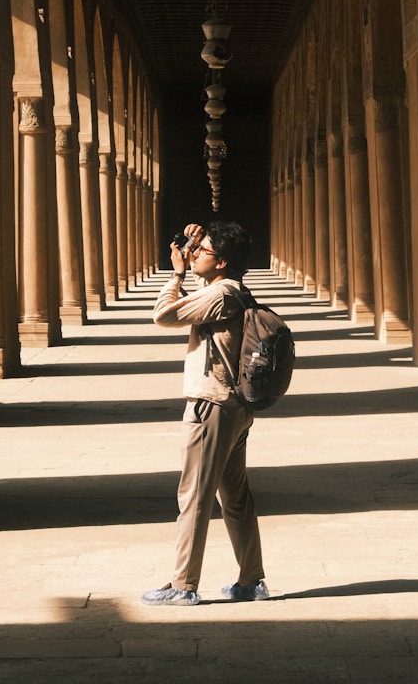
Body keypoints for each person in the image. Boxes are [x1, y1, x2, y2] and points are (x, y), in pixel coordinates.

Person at [140, 219, 270, 607]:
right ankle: (251, 580)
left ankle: (183, 584)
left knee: (194, 495)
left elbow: (163, 315)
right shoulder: (232, 291)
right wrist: (195, 252)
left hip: (210, 406)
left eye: (204, 250)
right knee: (234, 497)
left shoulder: (221, 294)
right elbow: (208, 293)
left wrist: (176, 274)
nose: (196, 254)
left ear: (224, 261)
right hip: (234, 407)